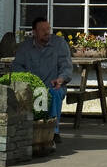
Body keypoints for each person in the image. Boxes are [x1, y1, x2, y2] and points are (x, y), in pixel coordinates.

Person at [12, 17, 72, 145]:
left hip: (54, 85)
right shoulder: (25, 47)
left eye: (48, 29)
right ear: (34, 32)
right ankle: (26, 131)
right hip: (31, 87)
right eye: (42, 30)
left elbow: (66, 67)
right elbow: (16, 67)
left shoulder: (59, 44)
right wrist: (27, 80)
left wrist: (60, 79)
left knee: (54, 93)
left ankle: (54, 132)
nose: (46, 32)